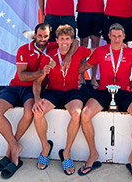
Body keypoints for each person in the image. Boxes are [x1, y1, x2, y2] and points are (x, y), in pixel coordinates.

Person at [79, 23, 132, 181]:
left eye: (119, 36)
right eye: (113, 36)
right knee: (85, 114)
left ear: (124, 37)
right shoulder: (101, 51)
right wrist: (66, 72)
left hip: (123, 92)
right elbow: (85, 66)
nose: (116, 39)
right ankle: (93, 153)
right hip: (103, 91)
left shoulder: (130, 53)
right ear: (109, 36)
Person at [0, 23, 53, 179]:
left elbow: (74, 43)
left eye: (46, 36)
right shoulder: (24, 49)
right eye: (40, 36)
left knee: (29, 112)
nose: (43, 39)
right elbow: (23, 76)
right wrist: (40, 72)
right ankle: (14, 146)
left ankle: (11, 150)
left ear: (49, 37)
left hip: (33, 90)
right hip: (15, 86)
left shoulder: (52, 51)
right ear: (35, 35)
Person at [32, 24, 94, 175]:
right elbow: (37, 81)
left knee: (76, 113)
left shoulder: (79, 51)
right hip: (53, 92)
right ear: (57, 40)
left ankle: (66, 152)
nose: (65, 42)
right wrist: (37, 98)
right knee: (38, 112)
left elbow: (97, 52)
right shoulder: (49, 55)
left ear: (72, 40)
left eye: (68, 39)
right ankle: (45, 147)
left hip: (72, 92)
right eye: (62, 39)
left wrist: (119, 45)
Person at [75, 0, 106, 89]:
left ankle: (94, 78)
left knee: (95, 46)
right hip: (83, 13)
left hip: (98, 13)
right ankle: (81, 77)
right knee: (83, 45)